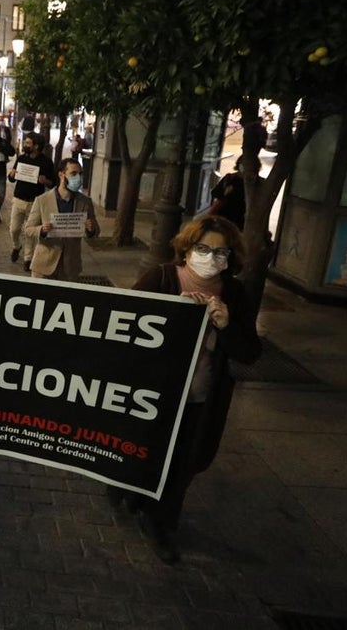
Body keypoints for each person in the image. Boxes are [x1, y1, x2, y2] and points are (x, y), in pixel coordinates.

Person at [114, 216, 260, 563]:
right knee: (143, 451)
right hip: (151, 397)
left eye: (221, 252)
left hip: (200, 398)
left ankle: (160, 521)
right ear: (187, 248)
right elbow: (122, 326)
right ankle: (127, 489)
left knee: (184, 461)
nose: (211, 257)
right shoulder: (162, 278)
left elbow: (249, 352)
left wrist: (226, 326)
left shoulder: (234, 294)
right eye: (203, 248)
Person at [23, 158, 100, 282]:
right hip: (43, 266)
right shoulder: (42, 200)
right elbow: (28, 229)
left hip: (70, 267)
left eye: (80, 174)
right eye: (73, 173)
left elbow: (96, 231)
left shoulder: (85, 202)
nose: (78, 178)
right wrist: (42, 230)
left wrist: (91, 229)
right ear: (61, 175)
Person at [8, 133, 54, 270]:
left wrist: (45, 181)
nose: (25, 145)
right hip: (19, 199)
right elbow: (12, 178)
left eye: (28, 143)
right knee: (14, 229)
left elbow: (53, 183)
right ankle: (16, 246)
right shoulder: (21, 158)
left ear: (36, 146)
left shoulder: (46, 162)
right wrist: (11, 175)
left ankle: (28, 259)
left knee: (30, 231)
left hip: (35, 202)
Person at [208, 160, 247, 229]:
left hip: (242, 219)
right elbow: (215, 193)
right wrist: (225, 192)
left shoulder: (256, 183)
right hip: (225, 216)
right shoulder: (230, 178)